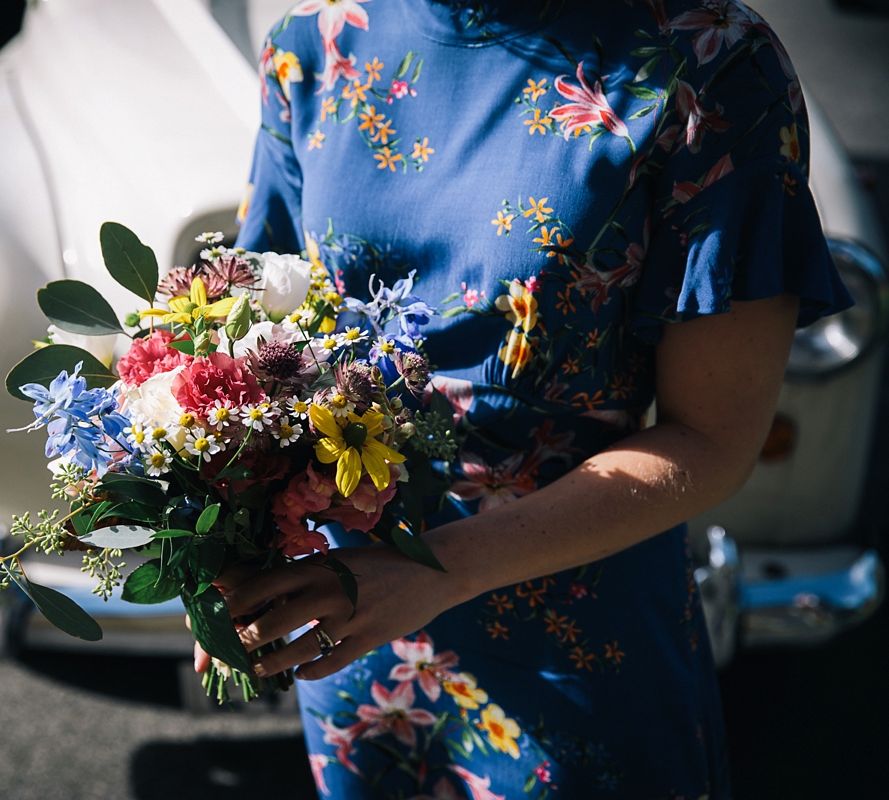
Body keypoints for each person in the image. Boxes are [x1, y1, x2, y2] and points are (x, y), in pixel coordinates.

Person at [194, 0, 851, 796]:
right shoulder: (316, 42)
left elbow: (712, 439)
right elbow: (265, 338)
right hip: (355, 628)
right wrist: (227, 547)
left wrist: (439, 571)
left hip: (574, 634)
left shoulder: (708, 62)